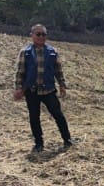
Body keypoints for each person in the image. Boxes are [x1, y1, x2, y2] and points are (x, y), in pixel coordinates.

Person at [13, 24, 73, 152]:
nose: (41, 37)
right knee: (34, 117)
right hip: (32, 91)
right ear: (32, 35)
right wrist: (18, 88)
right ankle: (39, 143)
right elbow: (20, 72)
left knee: (58, 115)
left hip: (48, 90)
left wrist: (62, 85)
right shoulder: (25, 52)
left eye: (43, 34)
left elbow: (58, 70)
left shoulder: (52, 52)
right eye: (38, 34)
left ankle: (67, 139)